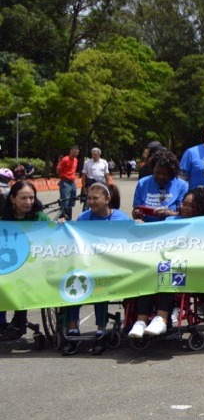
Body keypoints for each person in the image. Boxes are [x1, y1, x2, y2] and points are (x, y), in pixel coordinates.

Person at [130, 187, 204, 339]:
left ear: (200, 208)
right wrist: (141, 224)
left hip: (192, 269)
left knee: (169, 270)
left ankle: (162, 318)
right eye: (184, 203)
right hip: (166, 262)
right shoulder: (171, 220)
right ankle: (141, 321)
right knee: (150, 270)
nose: (184, 207)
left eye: (190, 206)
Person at [70, 183, 130, 350]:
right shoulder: (83, 218)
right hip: (87, 266)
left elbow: (131, 243)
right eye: (89, 198)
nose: (91, 201)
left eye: (95, 198)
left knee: (100, 283)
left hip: (112, 267)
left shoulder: (121, 219)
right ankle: (72, 328)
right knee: (70, 283)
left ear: (107, 199)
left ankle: (100, 328)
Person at [0, 180, 57, 340]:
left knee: (23, 279)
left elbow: (53, 238)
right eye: (24, 198)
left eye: (31, 198)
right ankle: (2, 321)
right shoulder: (3, 219)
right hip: (7, 267)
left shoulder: (40, 217)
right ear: (12, 198)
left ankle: (20, 319)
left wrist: (60, 225)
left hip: (34, 268)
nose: (28, 202)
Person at [132, 150, 188, 221]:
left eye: (164, 174)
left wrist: (169, 213)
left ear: (172, 173)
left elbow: (185, 214)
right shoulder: (142, 183)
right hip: (147, 227)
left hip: (172, 228)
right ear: (153, 169)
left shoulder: (182, 186)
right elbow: (135, 210)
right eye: (157, 173)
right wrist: (137, 213)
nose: (161, 176)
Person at [56, 145, 80, 221]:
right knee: (64, 202)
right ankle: (62, 219)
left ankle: (69, 219)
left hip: (72, 182)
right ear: (70, 151)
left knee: (71, 202)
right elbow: (58, 170)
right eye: (74, 152)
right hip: (65, 182)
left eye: (77, 153)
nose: (75, 154)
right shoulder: (65, 159)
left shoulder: (76, 160)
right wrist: (64, 176)